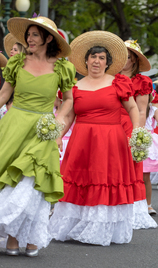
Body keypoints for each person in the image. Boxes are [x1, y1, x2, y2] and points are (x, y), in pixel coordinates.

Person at [49, 31, 146, 245]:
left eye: (102, 58)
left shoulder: (118, 83)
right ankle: (75, 225)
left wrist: (137, 132)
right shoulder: (76, 87)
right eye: (93, 57)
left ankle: (99, 228)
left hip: (111, 140)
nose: (97, 61)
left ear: (107, 63)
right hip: (82, 140)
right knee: (81, 180)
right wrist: (57, 136)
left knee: (104, 180)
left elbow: (133, 108)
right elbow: (69, 116)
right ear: (86, 60)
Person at [0, 16, 75, 256]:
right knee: (12, 180)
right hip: (14, 125)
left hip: (43, 128)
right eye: (28, 35)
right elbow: (4, 93)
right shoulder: (18, 62)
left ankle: (32, 237)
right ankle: (12, 237)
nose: (29, 39)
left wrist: (58, 123)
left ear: (48, 38)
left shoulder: (62, 66)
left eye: (34, 35)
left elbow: (68, 100)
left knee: (33, 182)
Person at [119, 39, 155, 229]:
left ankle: (131, 210)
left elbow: (141, 111)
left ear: (134, 60)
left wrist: (136, 135)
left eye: (128, 56)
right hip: (108, 123)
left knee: (130, 168)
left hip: (129, 124)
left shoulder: (142, 81)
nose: (124, 59)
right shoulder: (110, 77)